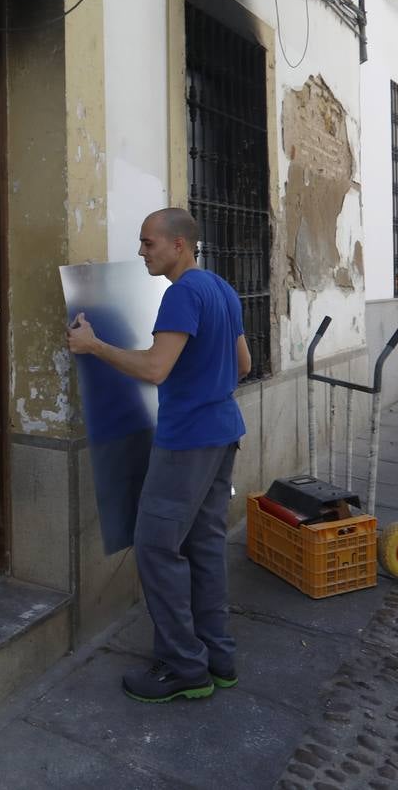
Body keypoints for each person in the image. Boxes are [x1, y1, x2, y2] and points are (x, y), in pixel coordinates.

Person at [66, 207, 251, 703]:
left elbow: (154, 369)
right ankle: (218, 658)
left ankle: (182, 666)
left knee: (154, 547)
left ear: (179, 246)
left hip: (187, 440)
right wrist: (208, 386)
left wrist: (93, 345)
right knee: (205, 546)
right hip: (223, 430)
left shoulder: (181, 293)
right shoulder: (221, 289)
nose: (142, 251)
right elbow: (244, 363)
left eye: (149, 243)